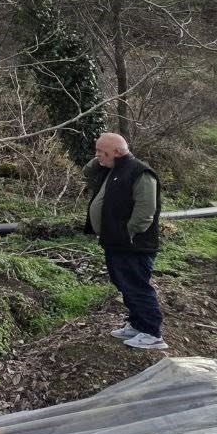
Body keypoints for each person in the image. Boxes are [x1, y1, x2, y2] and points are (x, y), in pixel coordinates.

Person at [81, 132, 167, 350]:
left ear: (118, 152)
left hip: (133, 245)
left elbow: (145, 212)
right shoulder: (112, 168)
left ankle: (151, 333)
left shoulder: (140, 172)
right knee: (124, 284)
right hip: (114, 241)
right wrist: (101, 157)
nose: (98, 156)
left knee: (137, 286)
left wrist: (127, 234)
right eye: (97, 151)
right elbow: (87, 172)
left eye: (102, 152)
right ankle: (138, 325)